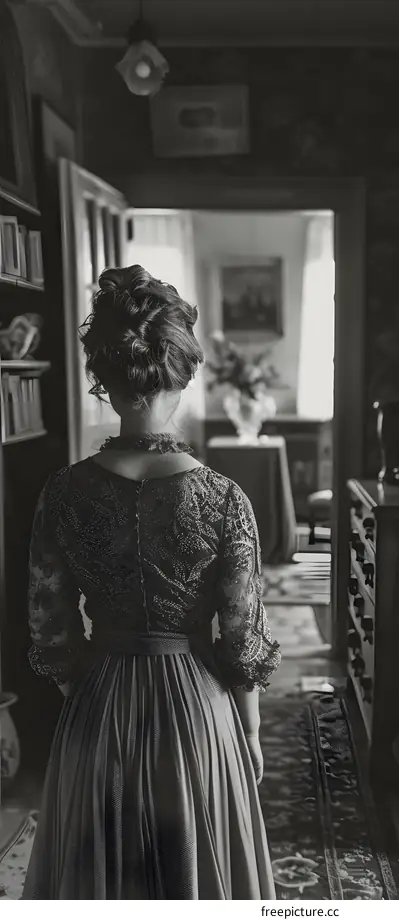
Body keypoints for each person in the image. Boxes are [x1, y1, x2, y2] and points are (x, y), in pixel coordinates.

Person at [22, 265, 281, 899]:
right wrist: (247, 731)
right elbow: (242, 640)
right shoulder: (224, 498)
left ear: (104, 382)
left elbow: (49, 630)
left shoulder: (63, 493)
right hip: (198, 710)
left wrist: (88, 697)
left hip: (98, 705)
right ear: (186, 375)